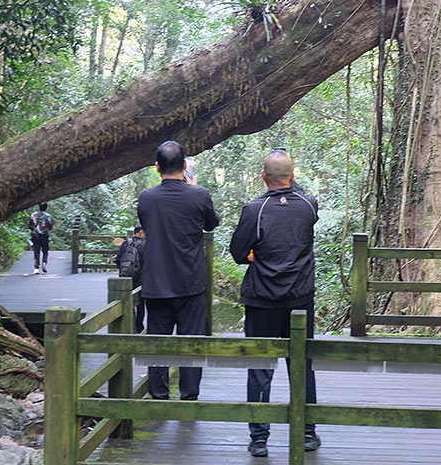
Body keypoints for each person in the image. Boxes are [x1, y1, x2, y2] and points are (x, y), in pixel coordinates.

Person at [230, 148, 320, 458]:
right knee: (302, 365)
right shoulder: (309, 205)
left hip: (262, 298)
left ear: (263, 177)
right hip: (300, 299)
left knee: (260, 367)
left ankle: (259, 439)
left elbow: (239, 252)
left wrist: (255, 255)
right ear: (293, 176)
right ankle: (308, 433)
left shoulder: (255, 209)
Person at [137, 140, 220, 401]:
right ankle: (189, 395)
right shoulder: (200, 195)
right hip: (190, 281)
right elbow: (211, 224)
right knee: (191, 342)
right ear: (184, 166)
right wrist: (193, 190)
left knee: (158, 343)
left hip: (156, 282)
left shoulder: (146, 198)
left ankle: (159, 395)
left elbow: (146, 223)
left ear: (157, 167)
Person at [115, 224, 147, 333]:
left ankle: (130, 325)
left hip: (125, 279)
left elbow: (118, 260)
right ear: (141, 232)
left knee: (126, 301)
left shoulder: (125, 243)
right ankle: (139, 326)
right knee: (140, 303)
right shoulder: (145, 245)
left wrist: (124, 270)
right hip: (140, 279)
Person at [28, 202, 53, 274]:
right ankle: (44, 262)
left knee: (36, 251)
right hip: (44, 235)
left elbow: (30, 226)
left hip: (35, 235)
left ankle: (36, 268)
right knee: (45, 250)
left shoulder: (33, 215)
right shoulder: (48, 216)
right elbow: (50, 227)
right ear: (46, 207)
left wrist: (34, 229)